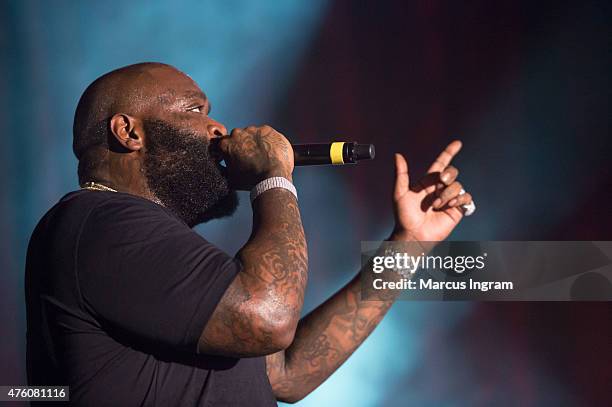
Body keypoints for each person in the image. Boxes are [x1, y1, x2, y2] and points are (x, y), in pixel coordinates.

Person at [25, 62, 474, 406]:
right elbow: (268, 319)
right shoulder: (99, 223)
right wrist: (273, 176)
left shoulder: (140, 246)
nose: (218, 128)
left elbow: (288, 373)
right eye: (196, 110)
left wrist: (408, 244)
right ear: (129, 132)